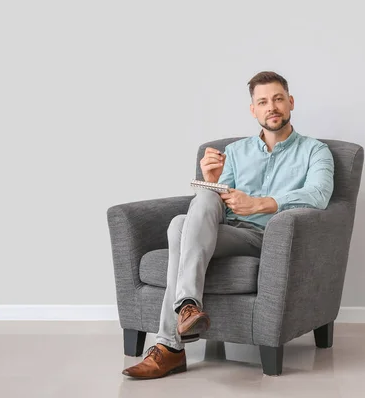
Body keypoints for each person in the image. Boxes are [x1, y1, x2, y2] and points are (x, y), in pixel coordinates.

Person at [122, 71, 335, 379]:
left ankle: (169, 347)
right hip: (227, 230)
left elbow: (319, 194)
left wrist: (260, 203)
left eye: (277, 99)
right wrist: (212, 182)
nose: (271, 107)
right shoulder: (235, 151)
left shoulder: (315, 151)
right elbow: (217, 203)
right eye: (262, 102)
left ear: (290, 102)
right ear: (253, 110)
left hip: (267, 237)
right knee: (192, 212)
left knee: (179, 228)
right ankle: (187, 310)